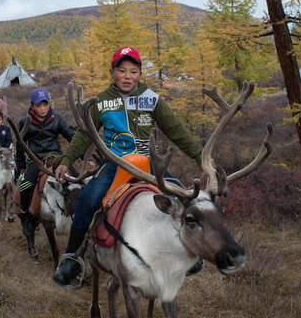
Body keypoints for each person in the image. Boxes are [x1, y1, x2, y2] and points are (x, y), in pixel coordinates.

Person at [52, 47, 204, 288]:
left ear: (140, 74)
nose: (127, 76)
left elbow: (176, 130)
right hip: (115, 163)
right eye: (121, 70)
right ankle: (72, 258)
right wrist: (66, 161)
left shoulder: (152, 99)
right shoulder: (100, 101)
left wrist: (200, 156)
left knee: (182, 197)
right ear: (112, 72)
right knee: (88, 200)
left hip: (148, 164)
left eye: (133, 71)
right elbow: (83, 136)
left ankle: (187, 251)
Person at [16, 88, 76, 239]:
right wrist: (22, 165)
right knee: (24, 185)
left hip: (57, 158)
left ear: (49, 104)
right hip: (36, 160)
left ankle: (79, 214)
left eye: (45, 104)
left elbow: (71, 137)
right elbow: (19, 145)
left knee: (78, 181)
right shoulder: (25, 122)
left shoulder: (57, 119)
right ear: (32, 106)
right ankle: (27, 217)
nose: (42, 108)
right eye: (39, 105)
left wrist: (86, 159)